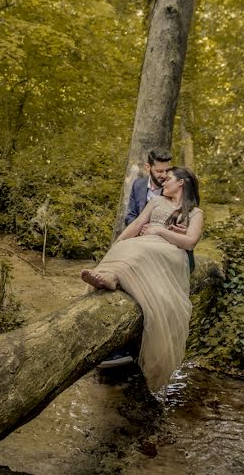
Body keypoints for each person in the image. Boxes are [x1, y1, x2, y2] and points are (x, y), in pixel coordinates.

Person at [83, 166, 204, 391]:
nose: (163, 183)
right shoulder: (156, 202)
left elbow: (190, 242)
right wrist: (117, 243)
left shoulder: (195, 213)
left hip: (172, 252)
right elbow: (137, 224)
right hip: (147, 243)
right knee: (129, 246)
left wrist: (160, 232)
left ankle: (114, 278)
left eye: (168, 179)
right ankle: (110, 277)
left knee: (140, 252)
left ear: (181, 183)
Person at [125, 148, 173, 227]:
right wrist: (141, 228)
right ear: (147, 167)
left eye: (167, 171)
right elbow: (130, 216)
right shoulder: (138, 185)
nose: (164, 175)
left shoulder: (174, 188)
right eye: (159, 171)